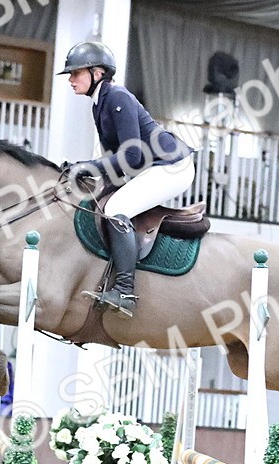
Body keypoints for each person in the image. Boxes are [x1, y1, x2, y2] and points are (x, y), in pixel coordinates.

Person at [59, 41, 195, 317]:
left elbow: (131, 156)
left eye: (76, 73)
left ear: (97, 72)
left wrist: (89, 166)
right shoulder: (100, 103)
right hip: (150, 167)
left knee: (115, 210)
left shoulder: (117, 97)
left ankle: (124, 292)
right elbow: (114, 157)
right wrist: (86, 171)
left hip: (172, 166)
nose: (71, 80)